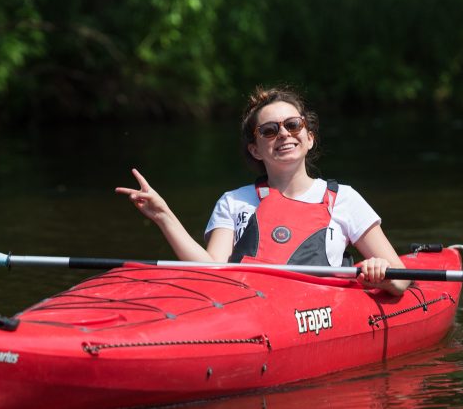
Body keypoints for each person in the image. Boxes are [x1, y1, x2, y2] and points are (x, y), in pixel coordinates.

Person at [115, 86, 411, 295]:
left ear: (309, 138)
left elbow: (400, 281)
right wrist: (164, 216)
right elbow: (213, 271)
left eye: (293, 125)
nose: (283, 134)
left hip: (321, 311)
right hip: (249, 308)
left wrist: (378, 268)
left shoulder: (344, 199)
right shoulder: (233, 202)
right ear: (255, 149)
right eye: (269, 130)